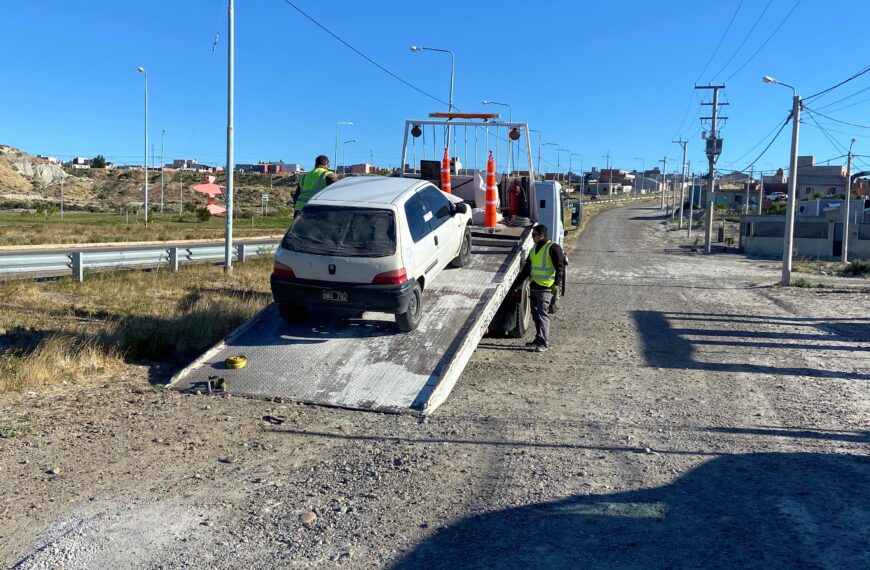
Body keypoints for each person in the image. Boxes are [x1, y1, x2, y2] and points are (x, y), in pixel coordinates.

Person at [517, 224, 566, 352]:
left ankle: (544, 343)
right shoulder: (534, 249)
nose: (532, 237)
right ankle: (538, 338)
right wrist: (516, 284)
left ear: (541, 236)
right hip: (534, 286)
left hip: (546, 288)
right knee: (536, 315)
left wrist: (557, 284)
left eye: (534, 235)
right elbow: (527, 269)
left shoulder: (553, 248)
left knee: (542, 314)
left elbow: (560, 268)